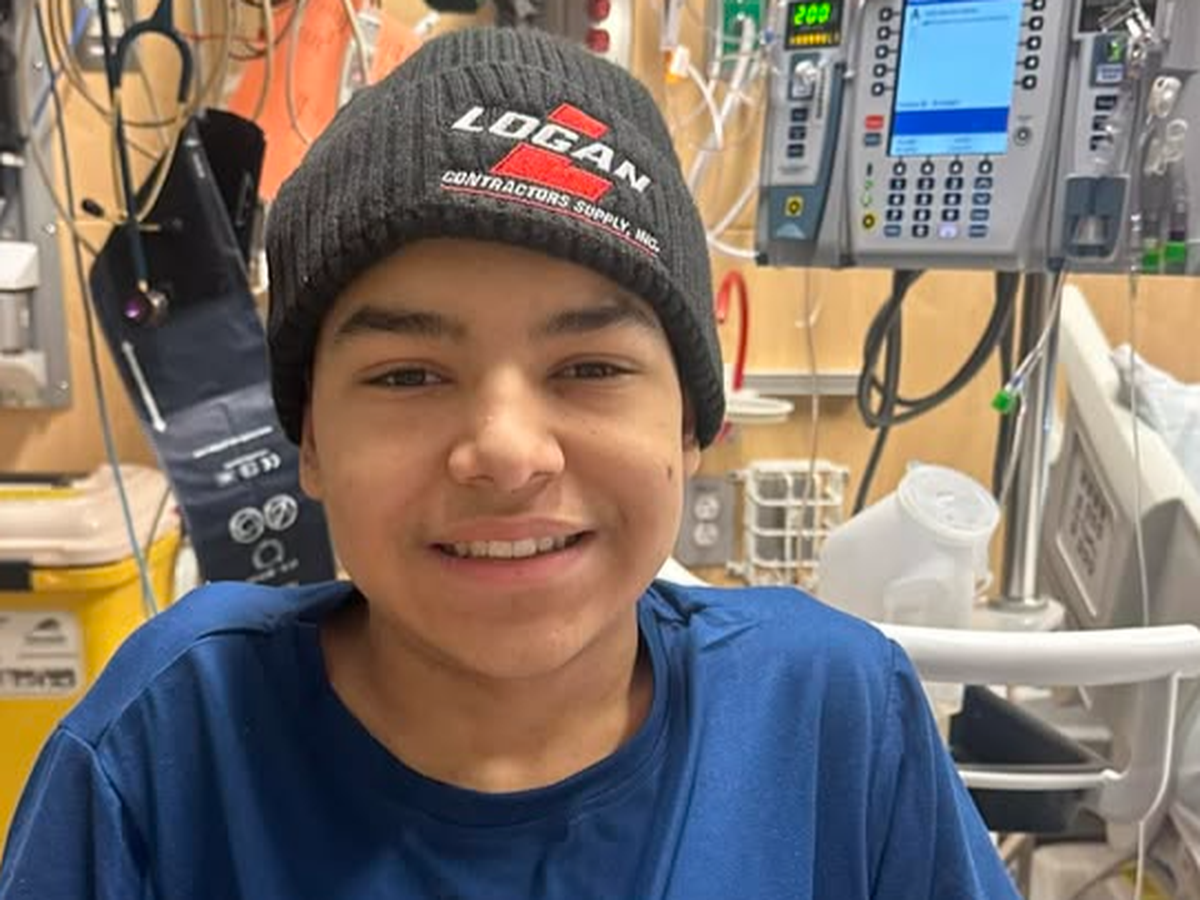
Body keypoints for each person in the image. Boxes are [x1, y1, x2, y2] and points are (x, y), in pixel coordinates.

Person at [0, 26, 1020, 900]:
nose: (504, 452)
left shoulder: (827, 717)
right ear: (310, 439)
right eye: (407, 375)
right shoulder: (172, 742)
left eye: (589, 367)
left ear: (689, 428)